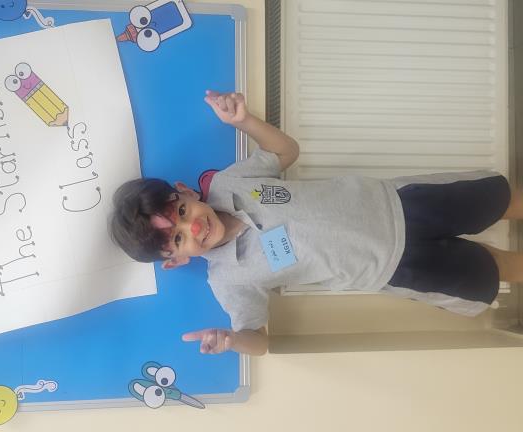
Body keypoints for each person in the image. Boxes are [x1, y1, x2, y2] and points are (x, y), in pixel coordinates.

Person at [110, 90, 523, 356]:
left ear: (186, 193)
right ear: (176, 260)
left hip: (399, 202)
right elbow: (260, 341)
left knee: (500, 202)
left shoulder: (227, 183)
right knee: (496, 268)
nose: (194, 228)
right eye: (178, 239)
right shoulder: (228, 281)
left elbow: (286, 152)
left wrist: (244, 122)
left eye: (182, 213)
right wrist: (233, 340)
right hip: (392, 266)